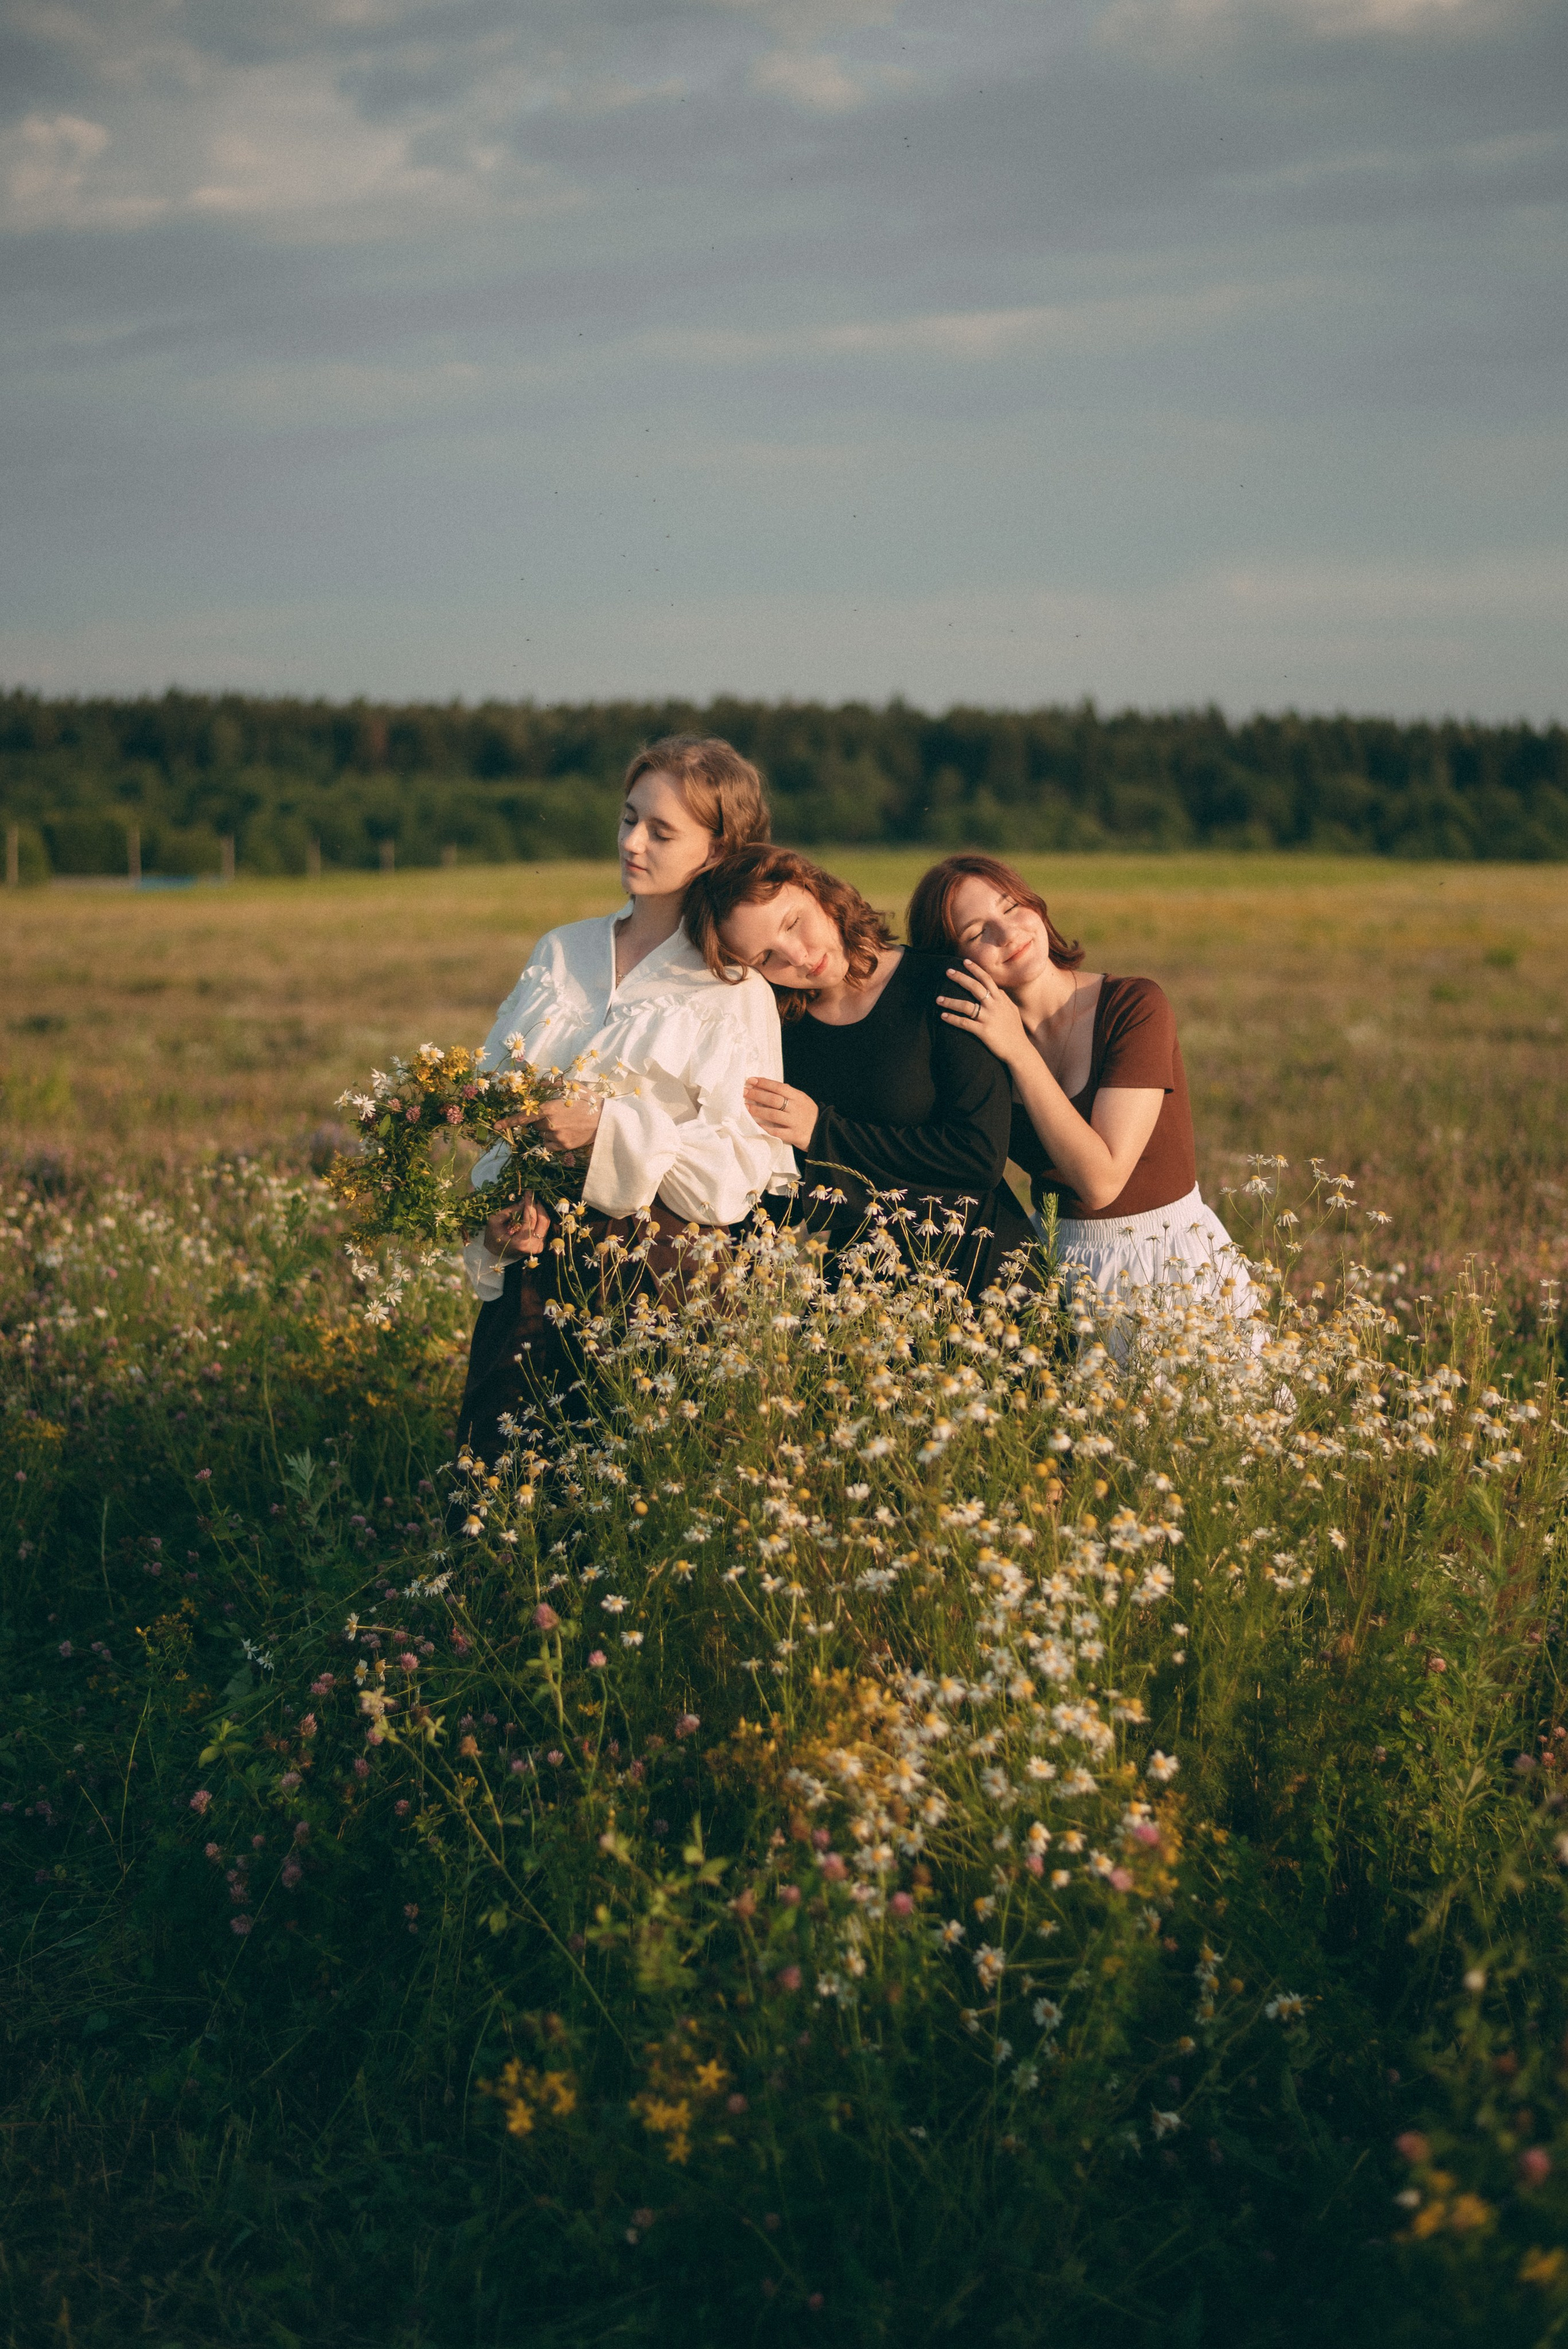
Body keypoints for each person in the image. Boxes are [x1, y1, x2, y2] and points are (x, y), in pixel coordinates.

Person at [454, 737, 794, 1461]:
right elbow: (494, 1108)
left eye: (661, 831)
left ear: (716, 848)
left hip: (657, 1287)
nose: (632, 842)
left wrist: (609, 1127)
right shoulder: (560, 952)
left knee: (628, 1503)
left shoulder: (733, 992)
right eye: (629, 818)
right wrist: (497, 1218)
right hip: (530, 1280)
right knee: (497, 1502)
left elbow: (737, 1171)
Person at [905, 852, 1257, 1327]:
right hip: (1053, 1268)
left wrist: (1018, 1051)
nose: (1007, 934)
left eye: (1011, 907)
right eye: (976, 933)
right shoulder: (975, 1050)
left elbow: (1100, 1181)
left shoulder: (1134, 1005)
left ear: (1036, 906)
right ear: (954, 964)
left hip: (1168, 1264)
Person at [683, 845, 1036, 1291]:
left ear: (819, 891)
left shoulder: (944, 984)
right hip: (859, 1298)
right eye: (766, 958)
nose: (797, 955)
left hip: (987, 1278)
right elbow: (783, 1195)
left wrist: (823, 1134)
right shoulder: (778, 1037)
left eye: (793, 923)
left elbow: (979, 1156)